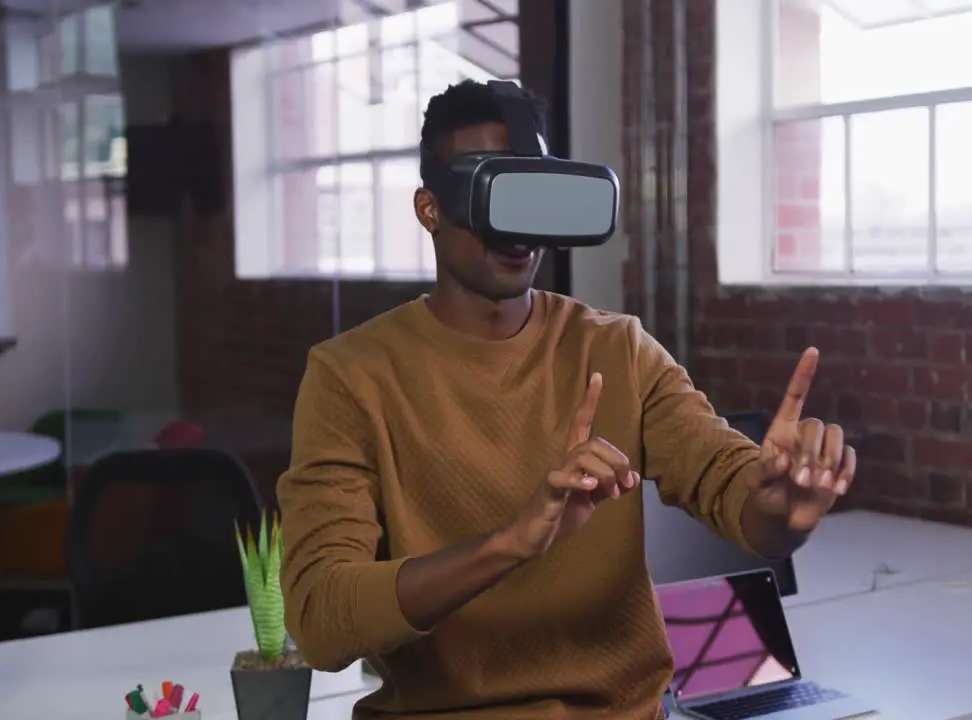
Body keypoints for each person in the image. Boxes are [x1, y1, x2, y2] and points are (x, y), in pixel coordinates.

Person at [276, 79, 857, 720]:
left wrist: (780, 511)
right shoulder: (350, 376)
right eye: (492, 189)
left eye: (535, 192)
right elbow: (321, 620)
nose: (517, 228)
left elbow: (729, 483)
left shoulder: (617, 348)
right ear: (430, 208)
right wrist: (511, 545)